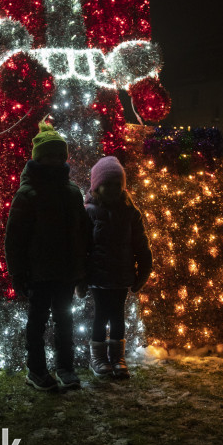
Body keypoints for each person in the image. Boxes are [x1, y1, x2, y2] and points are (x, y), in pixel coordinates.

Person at [5, 121, 90, 391]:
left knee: (65, 322)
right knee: (37, 323)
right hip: (38, 273)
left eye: (58, 156)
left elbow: (83, 233)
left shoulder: (72, 192)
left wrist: (83, 269)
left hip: (65, 272)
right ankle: (37, 371)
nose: (54, 161)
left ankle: (65, 367)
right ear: (39, 159)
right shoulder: (28, 194)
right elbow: (15, 238)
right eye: (49, 156)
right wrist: (18, 273)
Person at [85, 156, 152, 379]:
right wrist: (79, 277)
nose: (113, 189)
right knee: (101, 315)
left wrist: (143, 272)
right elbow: (80, 245)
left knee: (117, 316)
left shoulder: (130, 212)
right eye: (108, 184)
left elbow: (141, 245)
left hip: (121, 275)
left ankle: (117, 358)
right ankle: (98, 358)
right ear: (97, 186)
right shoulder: (89, 212)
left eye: (117, 184)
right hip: (97, 275)